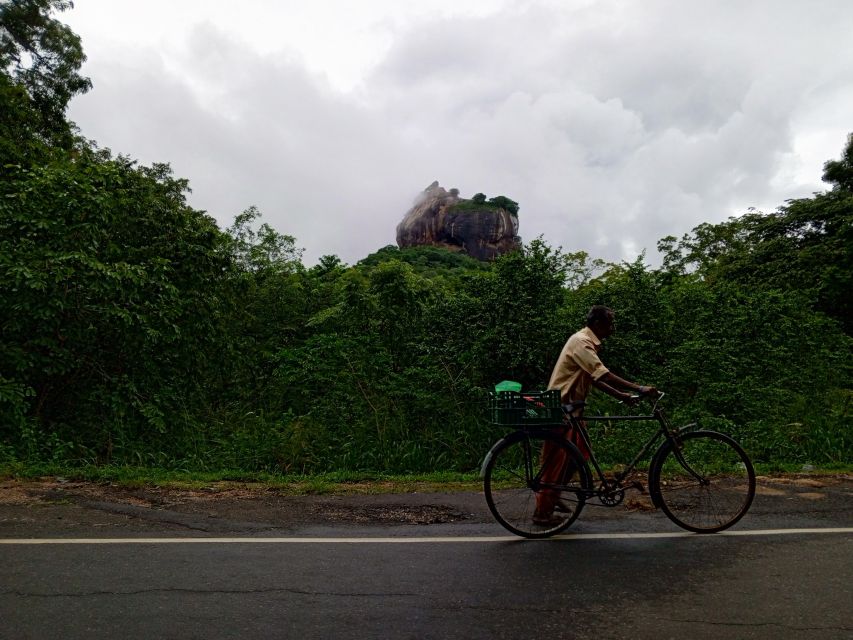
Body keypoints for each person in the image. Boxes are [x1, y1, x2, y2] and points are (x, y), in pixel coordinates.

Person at [533, 305, 658, 526]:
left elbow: (594, 378)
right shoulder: (581, 342)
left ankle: (555, 497)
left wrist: (623, 395)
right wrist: (639, 388)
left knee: (577, 457)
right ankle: (542, 514)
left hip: (573, 411)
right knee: (555, 462)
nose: (612, 328)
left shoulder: (587, 342)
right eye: (610, 323)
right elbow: (602, 374)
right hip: (561, 409)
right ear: (598, 324)